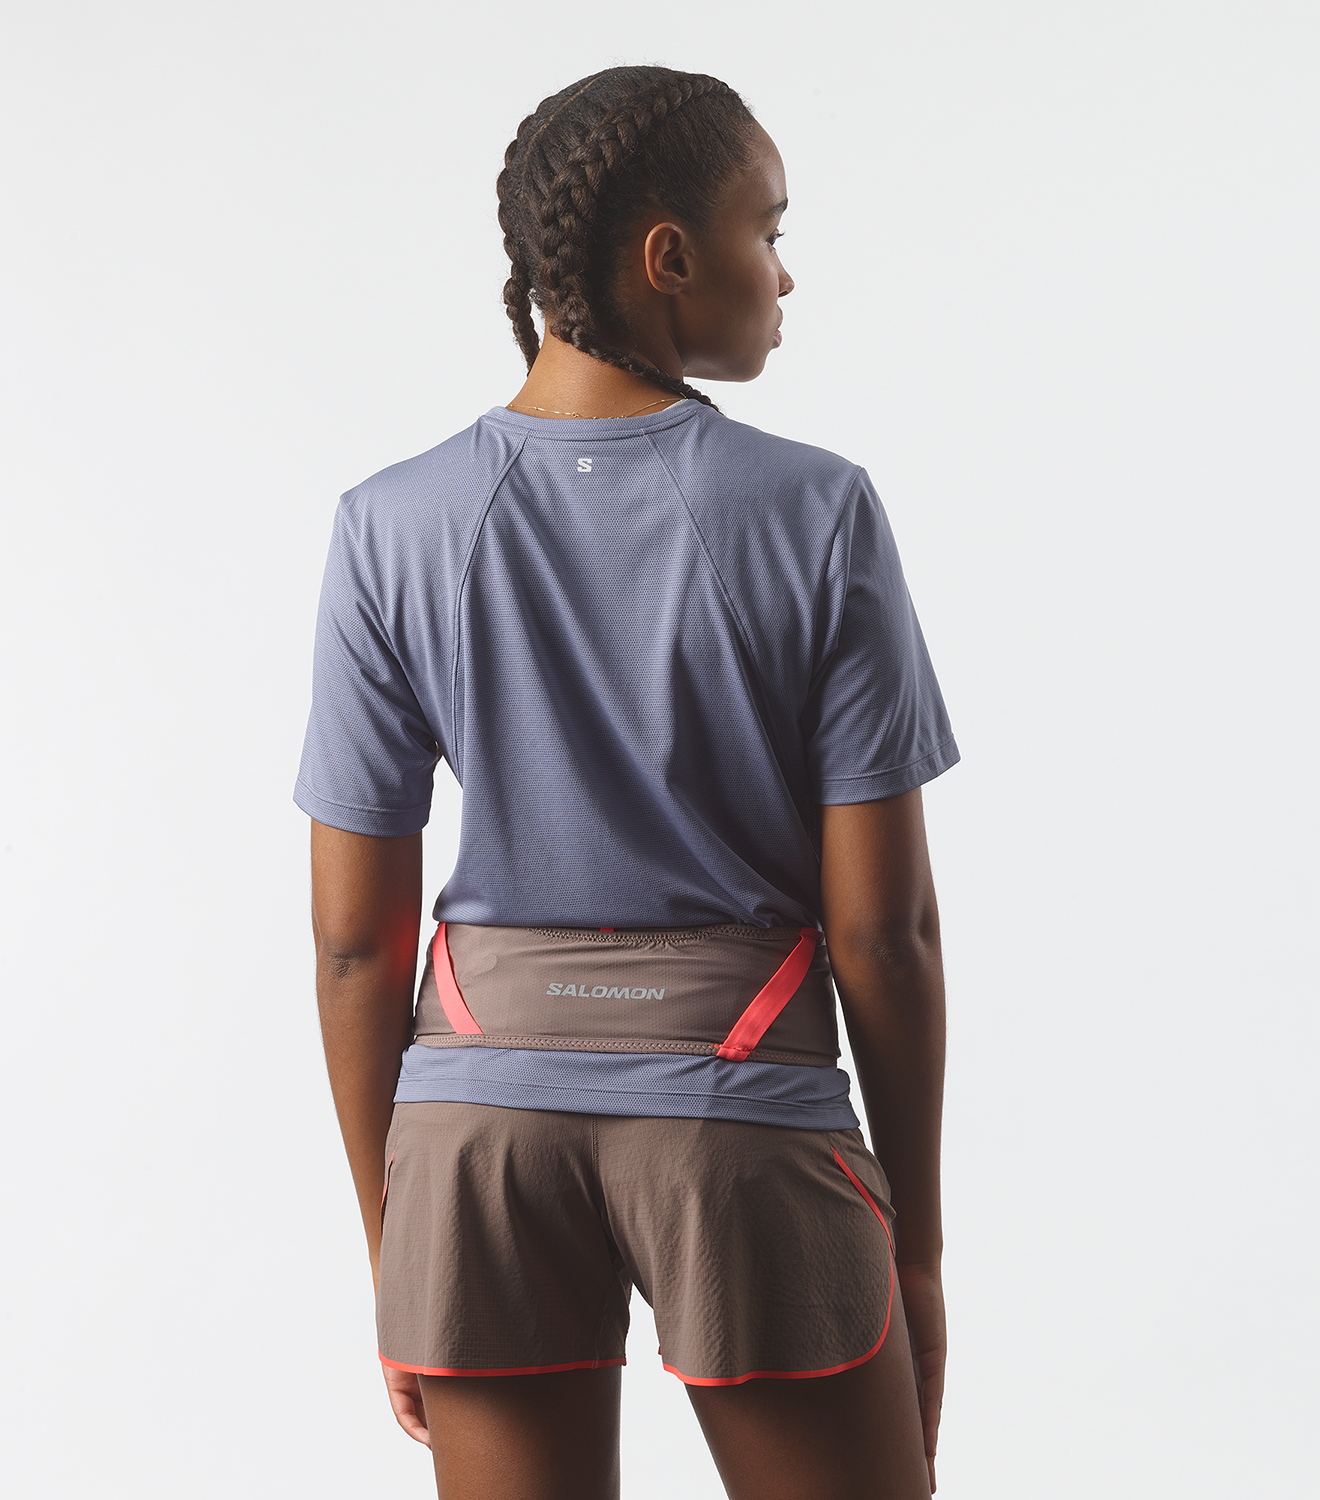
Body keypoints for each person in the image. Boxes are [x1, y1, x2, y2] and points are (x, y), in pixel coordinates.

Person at [298, 66, 958, 1500]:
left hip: (476, 1129)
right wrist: (914, 1246)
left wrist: (395, 1238)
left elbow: (354, 945)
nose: (785, 272)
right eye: (766, 230)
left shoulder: (388, 524)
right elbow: (884, 935)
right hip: (740, 1107)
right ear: (669, 257)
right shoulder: (816, 510)